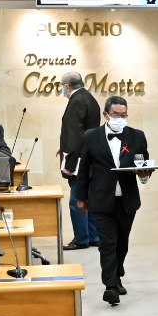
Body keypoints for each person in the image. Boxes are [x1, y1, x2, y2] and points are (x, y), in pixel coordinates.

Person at [74, 95, 151, 305]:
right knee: (107, 244)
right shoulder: (91, 136)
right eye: (116, 115)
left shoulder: (137, 136)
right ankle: (110, 286)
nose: (120, 118)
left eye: (124, 115)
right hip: (101, 199)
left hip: (127, 200)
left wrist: (144, 176)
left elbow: (144, 164)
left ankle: (117, 273)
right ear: (106, 114)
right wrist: (80, 197)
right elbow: (84, 169)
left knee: (122, 243)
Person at [59, 71, 103, 250]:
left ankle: (81, 239)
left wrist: (70, 164)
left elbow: (76, 135)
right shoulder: (90, 98)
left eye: (63, 87)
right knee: (88, 197)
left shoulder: (76, 101)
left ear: (68, 86)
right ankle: (93, 236)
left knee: (76, 199)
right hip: (90, 156)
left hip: (79, 160)